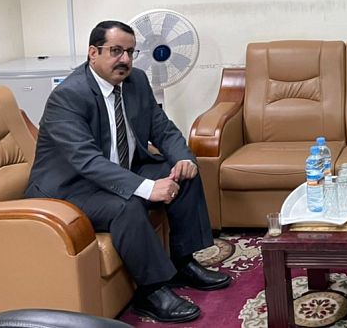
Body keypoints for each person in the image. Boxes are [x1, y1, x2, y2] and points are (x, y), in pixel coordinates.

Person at [26, 20, 230, 323]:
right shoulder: (68, 96)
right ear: (93, 53)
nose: (125, 59)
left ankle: (183, 263)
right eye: (116, 51)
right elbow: (87, 161)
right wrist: (147, 187)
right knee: (127, 204)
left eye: (131, 52)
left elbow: (163, 129)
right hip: (71, 188)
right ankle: (151, 291)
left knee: (182, 173)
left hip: (120, 168)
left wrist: (183, 159)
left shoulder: (136, 81)